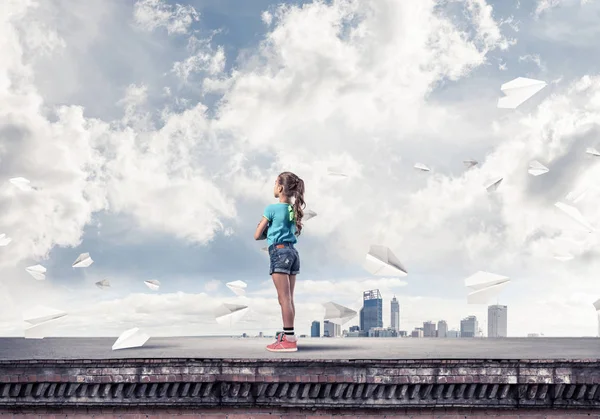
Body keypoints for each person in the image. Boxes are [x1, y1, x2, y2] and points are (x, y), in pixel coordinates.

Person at [254, 171, 305, 352]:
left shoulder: (271, 209)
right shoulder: (293, 210)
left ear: (280, 187)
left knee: (283, 298)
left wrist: (268, 231)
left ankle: (288, 341)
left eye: (275, 183)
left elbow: (257, 234)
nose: (274, 187)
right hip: (293, 253)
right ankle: (289, 335)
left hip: (279, 251)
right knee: (289, 298)